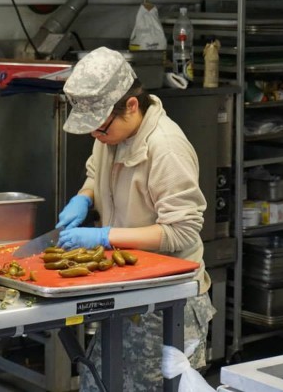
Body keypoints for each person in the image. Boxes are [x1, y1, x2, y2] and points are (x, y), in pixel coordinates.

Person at [57, 46, 215, 391]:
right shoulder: (112, 134)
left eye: (100, 128)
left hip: (169, 304)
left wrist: (105, 237)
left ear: (131, 105)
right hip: (126, 289)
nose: (95, 136)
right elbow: (95, 173)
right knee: (99, 382)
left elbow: (182, 231)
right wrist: (85, 197)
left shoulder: (166, 148)